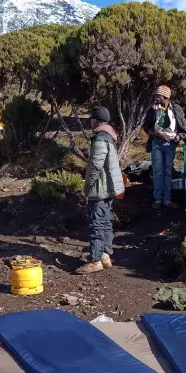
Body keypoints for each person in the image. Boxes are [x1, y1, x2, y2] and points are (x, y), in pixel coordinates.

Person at [76, 106, 124, 275]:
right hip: (109, 187)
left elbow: (95, 166)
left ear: (95, 120)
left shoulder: (99, 138)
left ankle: (95, 260)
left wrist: (87, 186)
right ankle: (105, 255)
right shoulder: (110, 135)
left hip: (100, 187)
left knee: (96, 223)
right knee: (105, 221)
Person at [143, 85, 186, 209]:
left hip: (170, 144)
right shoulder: (152, 110)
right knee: (158, 171)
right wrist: (156, 134)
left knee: (168, 172)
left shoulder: (176, 109)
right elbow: (147, 128)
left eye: (157, 96)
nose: (155, 99)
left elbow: (183, 127)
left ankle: (167, 200)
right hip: (156, 143)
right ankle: (158, 199)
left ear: (165, 97)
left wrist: (178, 137)